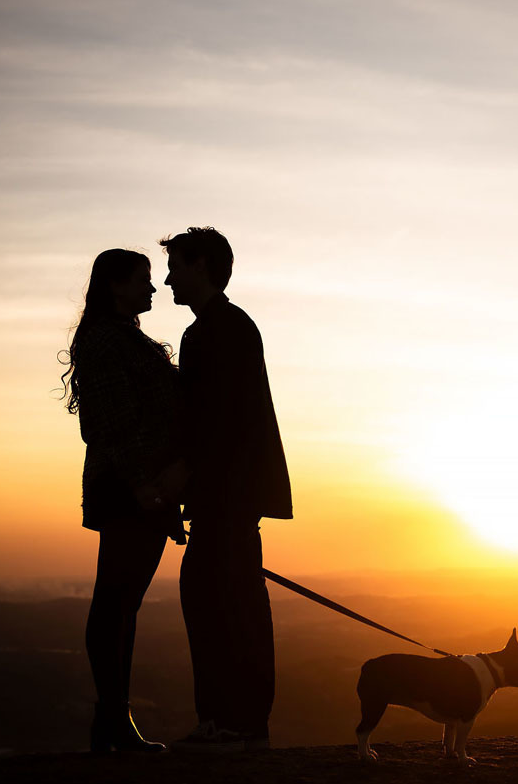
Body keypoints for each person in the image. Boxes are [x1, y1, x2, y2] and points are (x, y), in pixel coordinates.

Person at [157, 227, 292, 753]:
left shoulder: (221, 329)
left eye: (176, 266)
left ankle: (236, 723)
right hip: (226, 496)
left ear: (201, 267)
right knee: (217, 603)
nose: (168, 278)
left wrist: (183, 470)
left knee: (228, 606)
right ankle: (226, 720)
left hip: (227, 497)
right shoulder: (221, 327)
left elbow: (222, 419)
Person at [59, 248, 185, 753]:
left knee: (121, 603)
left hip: (138, 488)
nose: (152, 290)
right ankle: (113, 718)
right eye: (143, 280)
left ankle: (114, 717)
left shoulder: (121, 338)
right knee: (116, 602)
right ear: (116, 286)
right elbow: (110, 426)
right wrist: (146, 489)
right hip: (129, 489)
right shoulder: (110, 340)